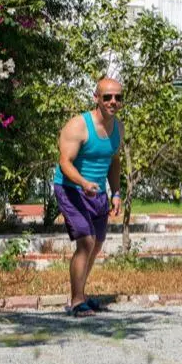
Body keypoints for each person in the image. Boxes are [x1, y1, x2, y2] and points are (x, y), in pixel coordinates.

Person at [51, 77, 124, 317]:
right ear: (96, 98)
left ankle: (81, 294)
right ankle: (76, 301)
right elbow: (65, 163)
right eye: (107, 97)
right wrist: (83, 183)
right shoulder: (78, 126)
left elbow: (114, 161)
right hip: (72, 189)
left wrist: (116, 192)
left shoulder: (118, 128)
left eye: (118, 97)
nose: (113, 101)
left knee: (97, 243)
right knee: (86, 242)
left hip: (97, 192)